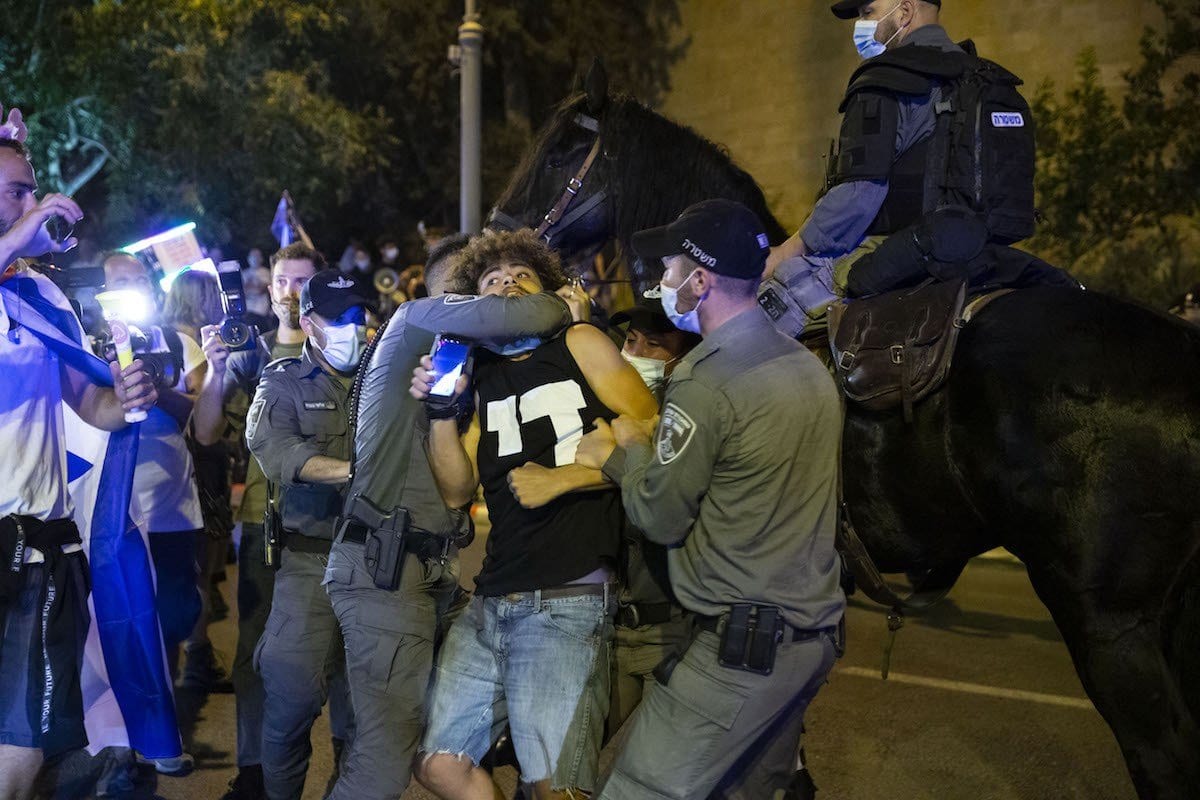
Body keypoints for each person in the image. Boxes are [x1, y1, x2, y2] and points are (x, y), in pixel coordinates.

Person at [575, 200, 846, 799]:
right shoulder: (806, 367)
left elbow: (660, 514)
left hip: (740, 651)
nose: (662, 282)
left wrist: (621, 451)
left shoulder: (707, 381)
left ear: (700, 280)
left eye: (670, 269)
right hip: (810, 639)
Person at [324, 232, 588, 800]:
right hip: (384, 569)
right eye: (491, 290)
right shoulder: (421, 315)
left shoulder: (451, 364)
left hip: (429, 570)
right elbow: (541, 309)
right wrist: (564, 303)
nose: (504, 297)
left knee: (440, 744)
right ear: (460, 299)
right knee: (384, 757)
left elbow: (457, 492)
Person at [410, 230, 657, 800]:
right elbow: (455, 491)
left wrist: (569, 477)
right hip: (494, 593)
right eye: (492, 281)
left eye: (521, 276)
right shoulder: (475, 374)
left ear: (549, 291)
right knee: (440, 764)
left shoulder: (579, 343)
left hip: (569, 595)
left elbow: (652, 429)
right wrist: (442, 414)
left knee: (554, 788)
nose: (506, 285)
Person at [0, 129, 158, 800]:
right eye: (16, 191)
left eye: (32, 189)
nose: (36, 202)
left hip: (34, 544)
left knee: (29, 728)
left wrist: (121, 401)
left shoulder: (43, 295)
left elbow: (86, 402)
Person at [193, 243, 350, 800]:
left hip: (336, 528)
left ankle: (345, 769)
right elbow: (207, 432)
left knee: (339, 662)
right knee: (257, 655)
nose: (287, 290)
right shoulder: (250, 351)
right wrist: (214, 373)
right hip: (265, 525)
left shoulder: (345, 352)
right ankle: (256, 770)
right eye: (281, 279)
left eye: (300, 281)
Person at [245, 268, 373, 800]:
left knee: (366, 712)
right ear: (309, 321)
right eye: (337, 317)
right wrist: (353, 472)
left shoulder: (385, 376)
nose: (351, 327)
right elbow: (276, 452)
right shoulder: (282, 381)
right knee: (293, 697)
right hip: (310, 560)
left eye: (357, 315)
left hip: (377, 561)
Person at [761, 0, 966, 327]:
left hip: (903, 249)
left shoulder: (884, 81)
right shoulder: (978, 75)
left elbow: (858, 195)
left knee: (764, 321)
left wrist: (785, 253)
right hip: (976, 249)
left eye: (868, 11)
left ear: (905, 11)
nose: (860, 24)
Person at [99, 253, 208, 778]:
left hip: (171, 507)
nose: (131, 286)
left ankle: (165, 710)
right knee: (126, 618)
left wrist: (155, 384)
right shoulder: (86, 339)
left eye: (138, 279)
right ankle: (147, 734)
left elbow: (196, 411)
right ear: (102, 288)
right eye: (120, 281)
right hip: (115, 506)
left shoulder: (175, 340)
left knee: (177, 610)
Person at [604, 303, 699, 736]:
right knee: (560, 769)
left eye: (654, 345)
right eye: (630, 340)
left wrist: (613, 458)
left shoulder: (692, 419)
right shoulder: (601, 406)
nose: (636, 352)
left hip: (677, 635)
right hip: (609, 630)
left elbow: (662, 512)